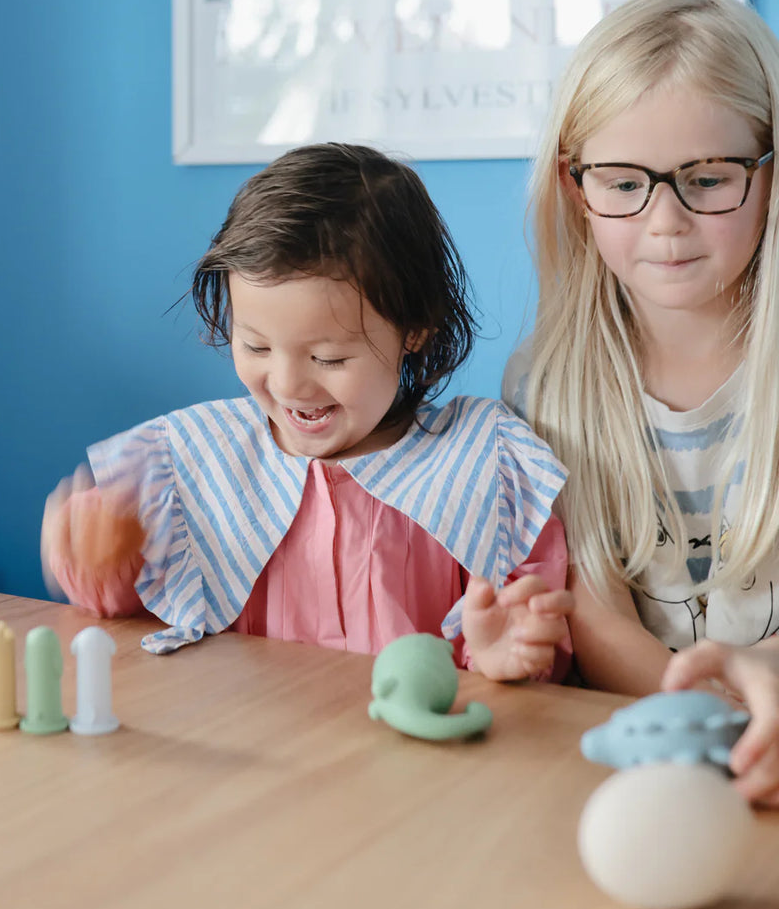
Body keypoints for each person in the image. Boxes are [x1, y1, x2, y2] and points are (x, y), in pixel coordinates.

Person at [41, 143, 573, 682]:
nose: (289, 383)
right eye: (255, 347)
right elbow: (137, 615)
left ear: (415, 330)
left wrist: (502, 654)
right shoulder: (192, 461)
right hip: (257, 748)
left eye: (328, 357)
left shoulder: (483, 460)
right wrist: (97, 560)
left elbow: (530, 635)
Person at [505, 0, 779, 802]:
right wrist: (700, 714)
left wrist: (755, 688)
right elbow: (594, 614)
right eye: (624, 184)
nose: (666, 221)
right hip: (642, 757)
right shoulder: (549, 385)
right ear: (573, 183)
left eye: (707, 178)